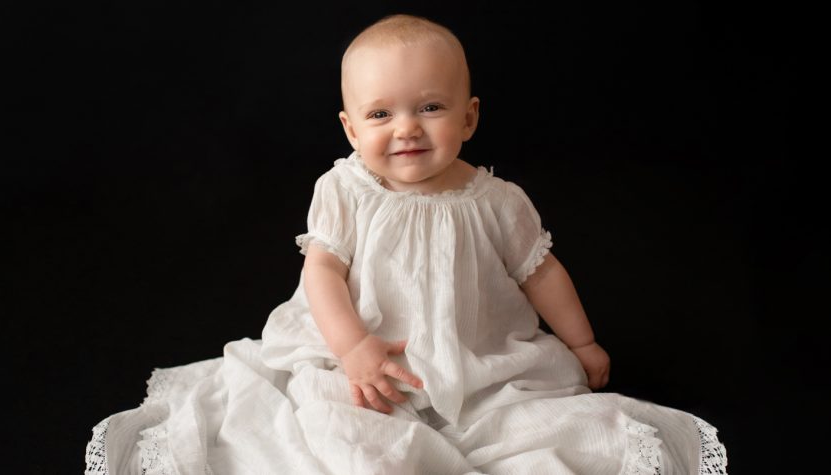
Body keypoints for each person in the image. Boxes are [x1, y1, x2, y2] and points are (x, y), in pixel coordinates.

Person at [86, 14, 727, 475]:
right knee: (336, 423)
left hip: (475, 356)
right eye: (380, 114)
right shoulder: (347, 189)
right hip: (358, 355)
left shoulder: (498, 202)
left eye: (430, 107)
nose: (407, 130)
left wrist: (582, 342)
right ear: (349, 126)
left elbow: (543, 273)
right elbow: (324, 275)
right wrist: (354, 347)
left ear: (469, 116)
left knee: (535, 430)